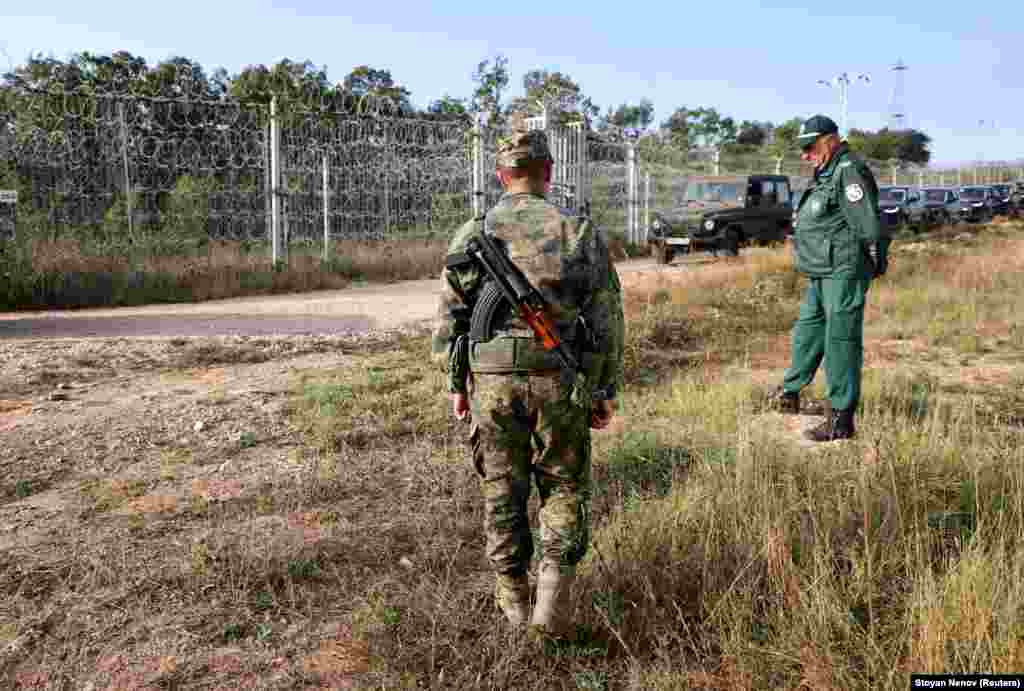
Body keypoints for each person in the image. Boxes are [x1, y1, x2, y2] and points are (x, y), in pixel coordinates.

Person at [431, 114, 624, 639]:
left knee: (502, 488)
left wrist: (456, 385)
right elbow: (606, 319)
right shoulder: (576, 230)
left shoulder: (473, 232)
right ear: (548, 171)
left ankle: (514, 606)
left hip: (491, 383)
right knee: (563, 484)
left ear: (501, 174)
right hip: (559, 380)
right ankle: (549, 611)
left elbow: (450, 319)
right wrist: (604, 388)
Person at [770, 114, 889, 442]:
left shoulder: (848, 171)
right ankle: (790, 392)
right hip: (822, 268)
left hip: (843, 269)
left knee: (840, 340)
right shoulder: (827, 170)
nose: (805, 154)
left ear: (831, 140)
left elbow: (868, 225)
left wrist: (874, 260)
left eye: (811, 147)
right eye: (803, 149)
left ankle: (840, 418)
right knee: (807, 331)